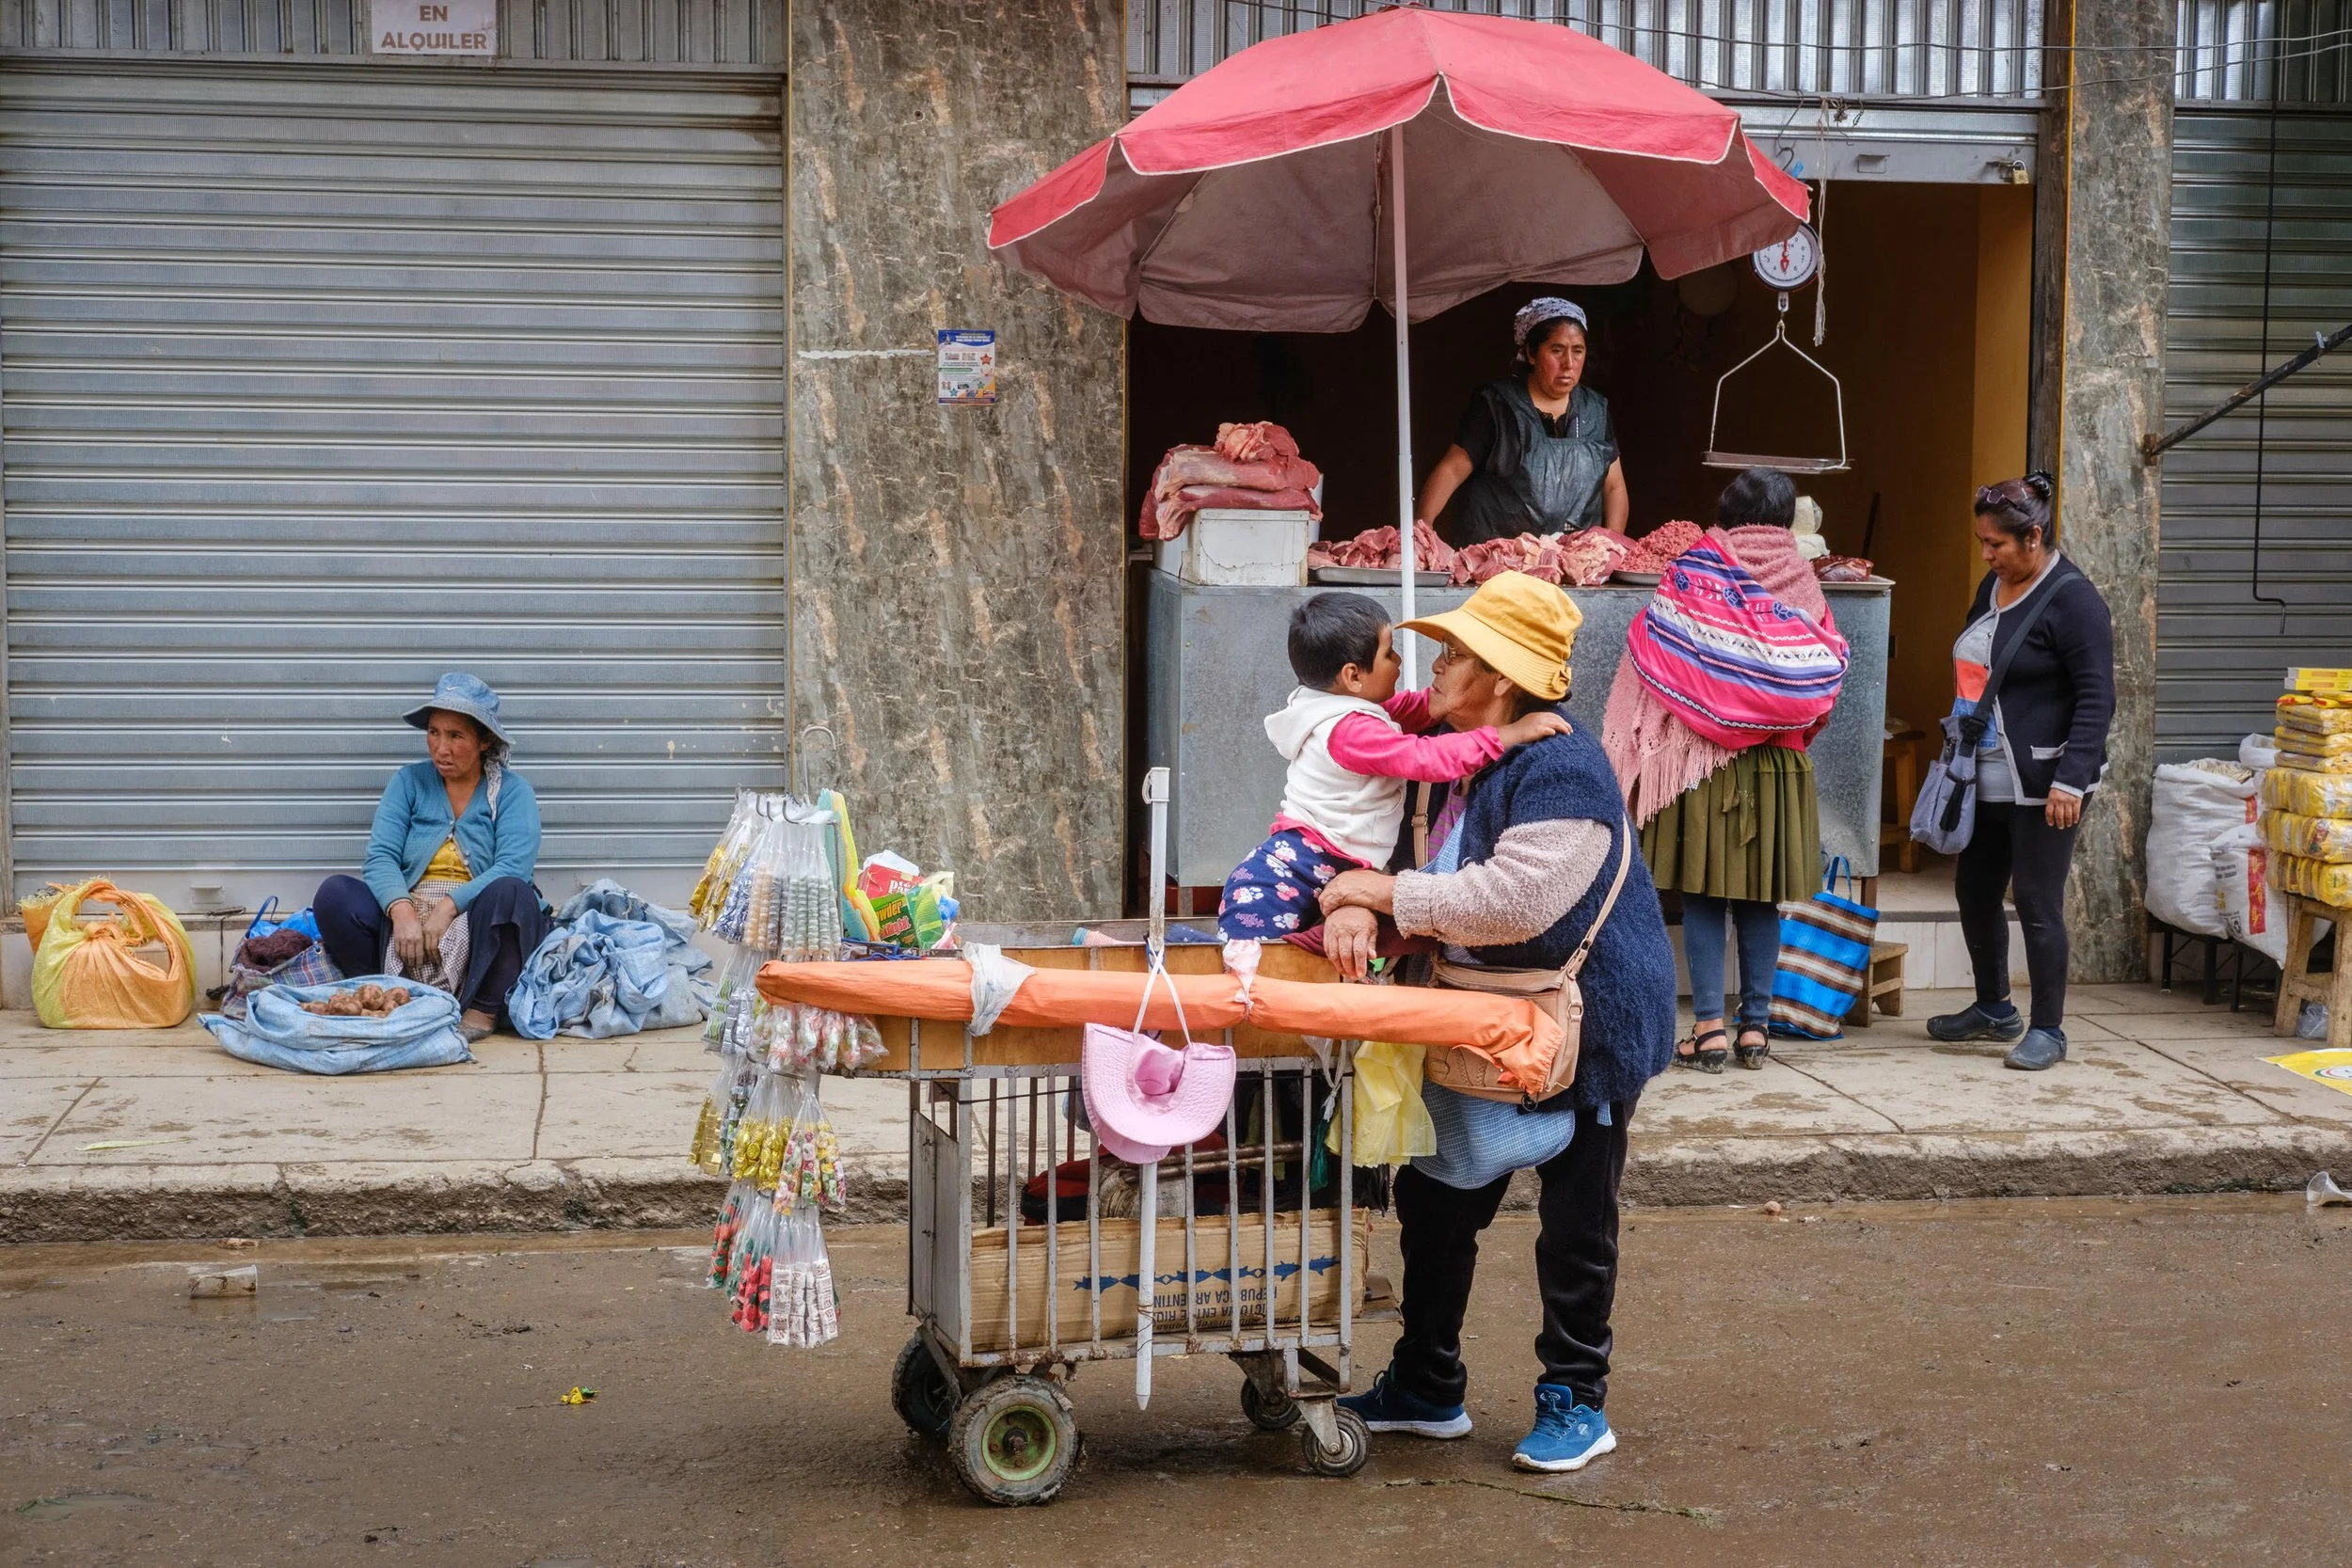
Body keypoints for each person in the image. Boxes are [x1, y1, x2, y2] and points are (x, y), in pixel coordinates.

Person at [1314, 573, 1677, 1474]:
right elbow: (1403, 858)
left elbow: (1519, 897)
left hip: (1586, 1019)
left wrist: (1388, 893)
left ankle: (1575, 1400)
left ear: (1505, 677)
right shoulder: (1453, 747)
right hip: (1484, 1014)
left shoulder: (1562, 763)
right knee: (1436, 1203)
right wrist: (1360, 905)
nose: (1435, 666)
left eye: (1457, 653)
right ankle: (1427, 1383)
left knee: (1576, 1224)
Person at [1602, 467, 1842, 1071]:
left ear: (1725, 513)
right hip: (1779, 768)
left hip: (1698, 767)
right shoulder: (1807, 589)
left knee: (1705, 898)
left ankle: (1708, 1029)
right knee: (1761, 901)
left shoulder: (1693, 572)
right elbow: (1823, 675)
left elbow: (1653, 647)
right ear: (1788, 522)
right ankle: (1755, 1029)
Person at [1218, 592, 1567, 942]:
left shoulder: (1345, 706)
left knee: (1282, 972)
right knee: (1249, 968)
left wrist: (1446, 703)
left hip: (1315, 863)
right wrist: (1505, 734)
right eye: (1389, 653)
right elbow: (1426, 757)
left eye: (1452, 654)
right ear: (1353, 676)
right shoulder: (1349, 731)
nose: (1400, 661)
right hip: (1295, 871)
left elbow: (1416, 709)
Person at [1926, 474, 2115, 1071]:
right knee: (1974, 890)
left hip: (2045, 783)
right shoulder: (1993, 586)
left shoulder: (2075, 601)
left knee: (2037, 901)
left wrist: (2071, 779)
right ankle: (1993, 1007)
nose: (1987, 554)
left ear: (2033, 537)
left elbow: (2097, 698)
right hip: (1983, 776)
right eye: (1983, 542)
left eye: (1997, 544)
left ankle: (2050, 1030)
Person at [314, 673, 549, 1042]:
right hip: (410, 912)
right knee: (335, 895)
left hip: (477, 917)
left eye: (456, 736)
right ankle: (384, 988)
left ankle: (483, 1006)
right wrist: (402, 909)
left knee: (513, 892)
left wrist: (449, 907)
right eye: (434, 733)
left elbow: (513, 866)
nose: (441, 748)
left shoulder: (513, 792)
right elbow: (381, 857)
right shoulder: (409, 782)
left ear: (485, 740)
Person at [1412, 297, 1630, 544]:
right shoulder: (1497, 405)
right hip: (1501, 559)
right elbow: (1452, 469)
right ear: (1531, 353)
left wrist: (1610, 547)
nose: (1568, 363)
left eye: (1577, 350)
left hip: (1575, 567)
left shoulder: (1596, 410)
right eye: (1556, 350)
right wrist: (1422, 530)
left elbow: (1614, 487)